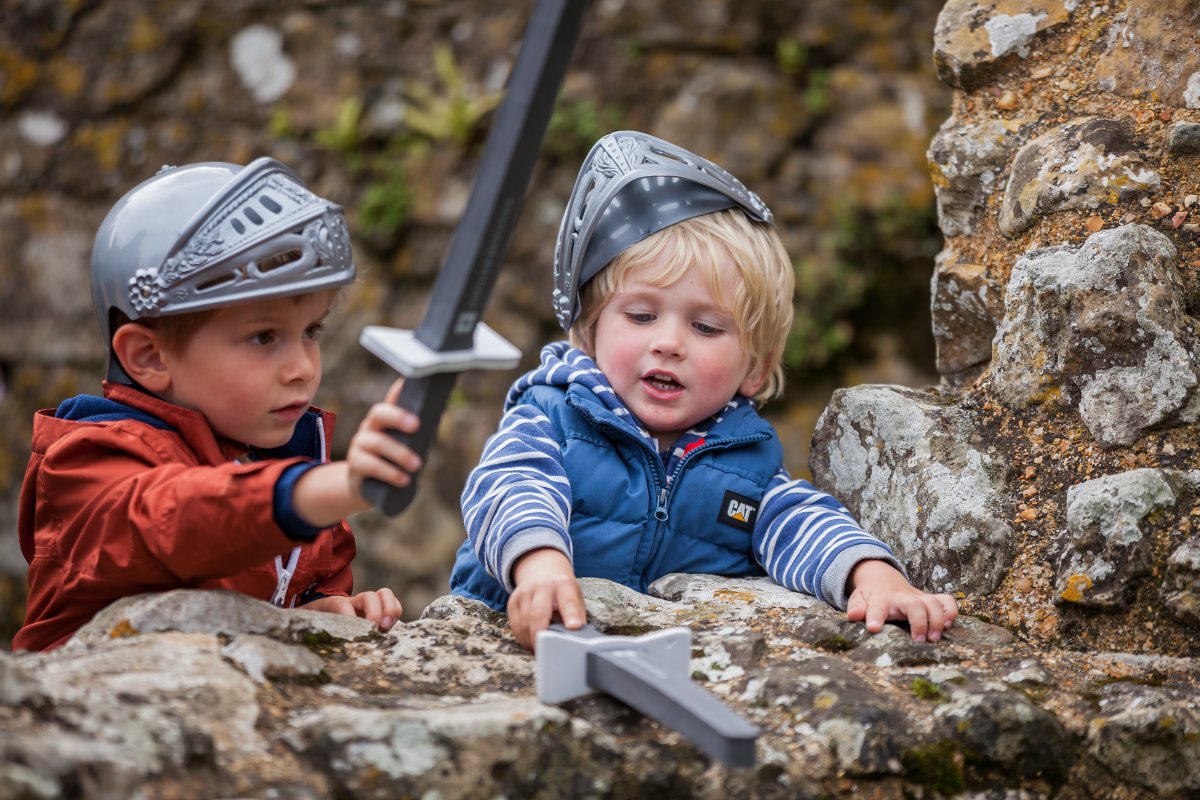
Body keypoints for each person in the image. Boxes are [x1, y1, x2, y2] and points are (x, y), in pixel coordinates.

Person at [451, 131, 958, 650]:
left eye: (707, 329)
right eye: (642, 315)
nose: (668, 343)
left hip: (652, 658)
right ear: (589, 331)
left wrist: (874, 578)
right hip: (509, 635)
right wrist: (541, 570)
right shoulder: (552, 414)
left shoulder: (747, 463)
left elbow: (803, 523)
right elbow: (510, 485)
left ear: (753, 369)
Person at [14, 158, 423, 651]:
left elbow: (289, 588)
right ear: (148, 357)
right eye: (264, 336)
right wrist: (329, 487)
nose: (303, 368)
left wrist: (319, 610)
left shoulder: (281, 453)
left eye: (311, 331)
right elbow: (178, 519)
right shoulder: (84, 467)